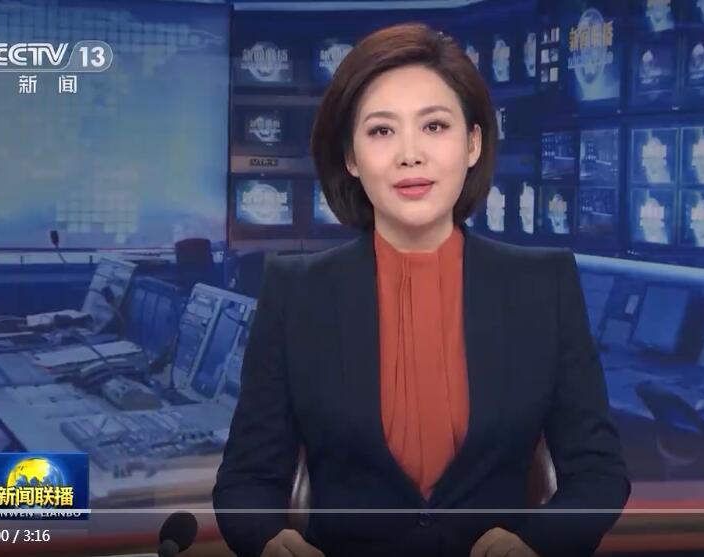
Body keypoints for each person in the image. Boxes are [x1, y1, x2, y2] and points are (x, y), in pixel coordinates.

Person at [213, 22, 631, 557]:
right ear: (351, 157)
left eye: (434, 126)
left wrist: (537, 542)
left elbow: (598, 473)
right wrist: (271, 540)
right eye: (381, 132)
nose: (410, 154)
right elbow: (246, 481)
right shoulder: (296, 293)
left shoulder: (543, 284)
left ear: (473, 143)